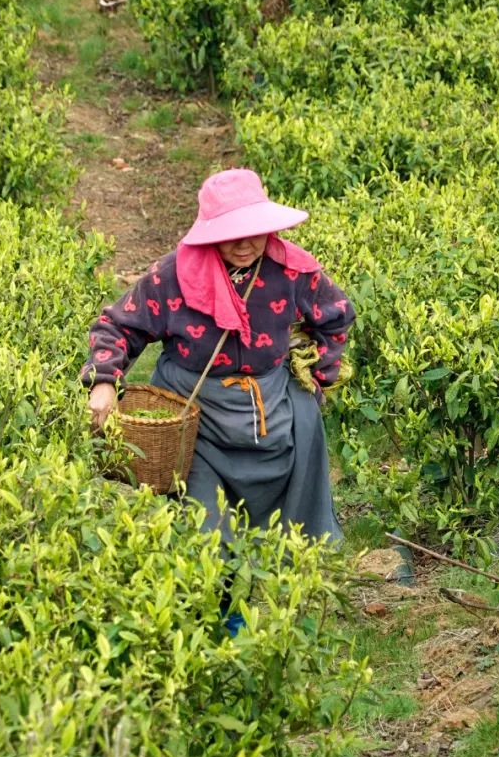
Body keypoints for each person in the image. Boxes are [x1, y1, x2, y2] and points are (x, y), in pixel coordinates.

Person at [82, 168, 353, 543]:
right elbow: (118, 326)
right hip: (197, 419)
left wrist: (317, 376)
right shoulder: (173, 274)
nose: (244, 245)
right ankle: (220, 596)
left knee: (286, 538)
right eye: (231, 236)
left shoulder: (292, 270)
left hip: (273, 409)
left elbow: (336, 315)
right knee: (208, 535)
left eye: (252, 233)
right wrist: (104, 383)